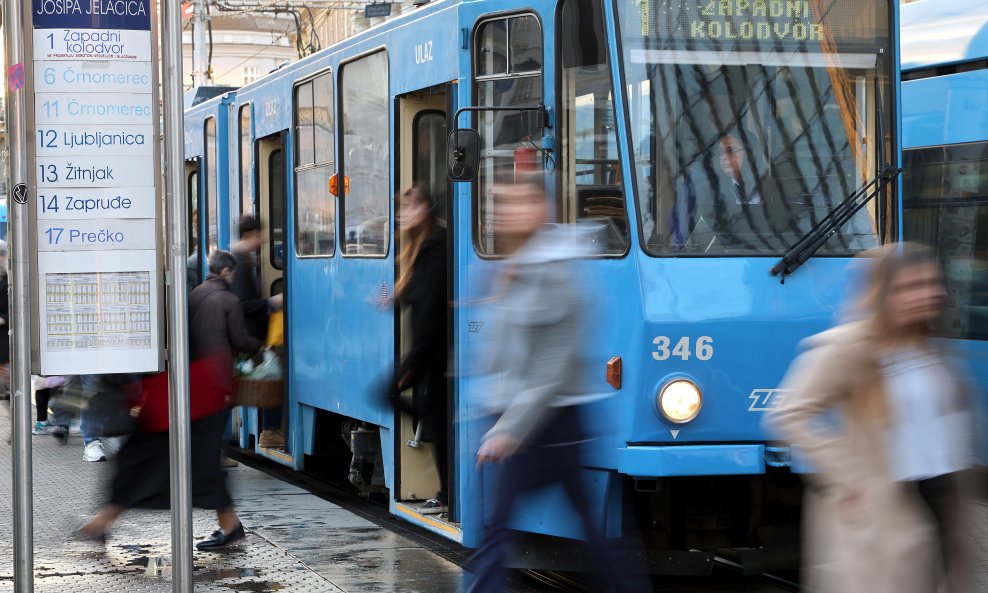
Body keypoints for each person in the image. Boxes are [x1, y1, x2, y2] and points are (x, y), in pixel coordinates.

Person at [467, 176, 645, 593]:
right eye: (504, 205)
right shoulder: (517, 265)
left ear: (543, 209)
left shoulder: (556, 272)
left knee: (498, 529)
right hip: (535, 419)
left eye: (521, 202)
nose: (507, 212)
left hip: (551, 422)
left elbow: (551, 366)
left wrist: (511, 428)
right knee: (587, 530)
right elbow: (505, 352)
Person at [765, 243, 975, 593]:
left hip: (941, 505)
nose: (926, 295)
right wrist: (849, 477)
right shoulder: (850, 347)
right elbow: (789, 414)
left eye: (930, 284)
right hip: (884, 518)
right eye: (910, 287)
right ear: (883, 292)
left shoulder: (934, 346)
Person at [83, 250, 264, 549]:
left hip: (183, 396)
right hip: (185, 393)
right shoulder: (166, 299)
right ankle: (101, 524)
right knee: (184, 464)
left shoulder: (158, 303)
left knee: (160, 464)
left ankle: (100, 524)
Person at [389, 185, 448, 514]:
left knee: (434, 416)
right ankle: (444, 491)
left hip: (435, 354)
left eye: (409, 207)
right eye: (401, 209)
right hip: (431, 353)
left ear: (427, 207)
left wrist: (414, 360)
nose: (403, 214)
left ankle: (445, 494)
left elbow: (430, 309)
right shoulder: (421, 247)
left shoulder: (435, 246)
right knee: (434, 415)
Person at [229, 215, 284, 449]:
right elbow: (242, 303)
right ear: (249, 235)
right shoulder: (240, 265)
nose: (262, 239)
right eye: (259, 235)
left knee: (261, 381)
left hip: (249, 335)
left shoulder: (241, 261)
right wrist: (271, 302)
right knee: (270, 378)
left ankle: (268, 431)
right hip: (251, 336)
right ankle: (270, 432)